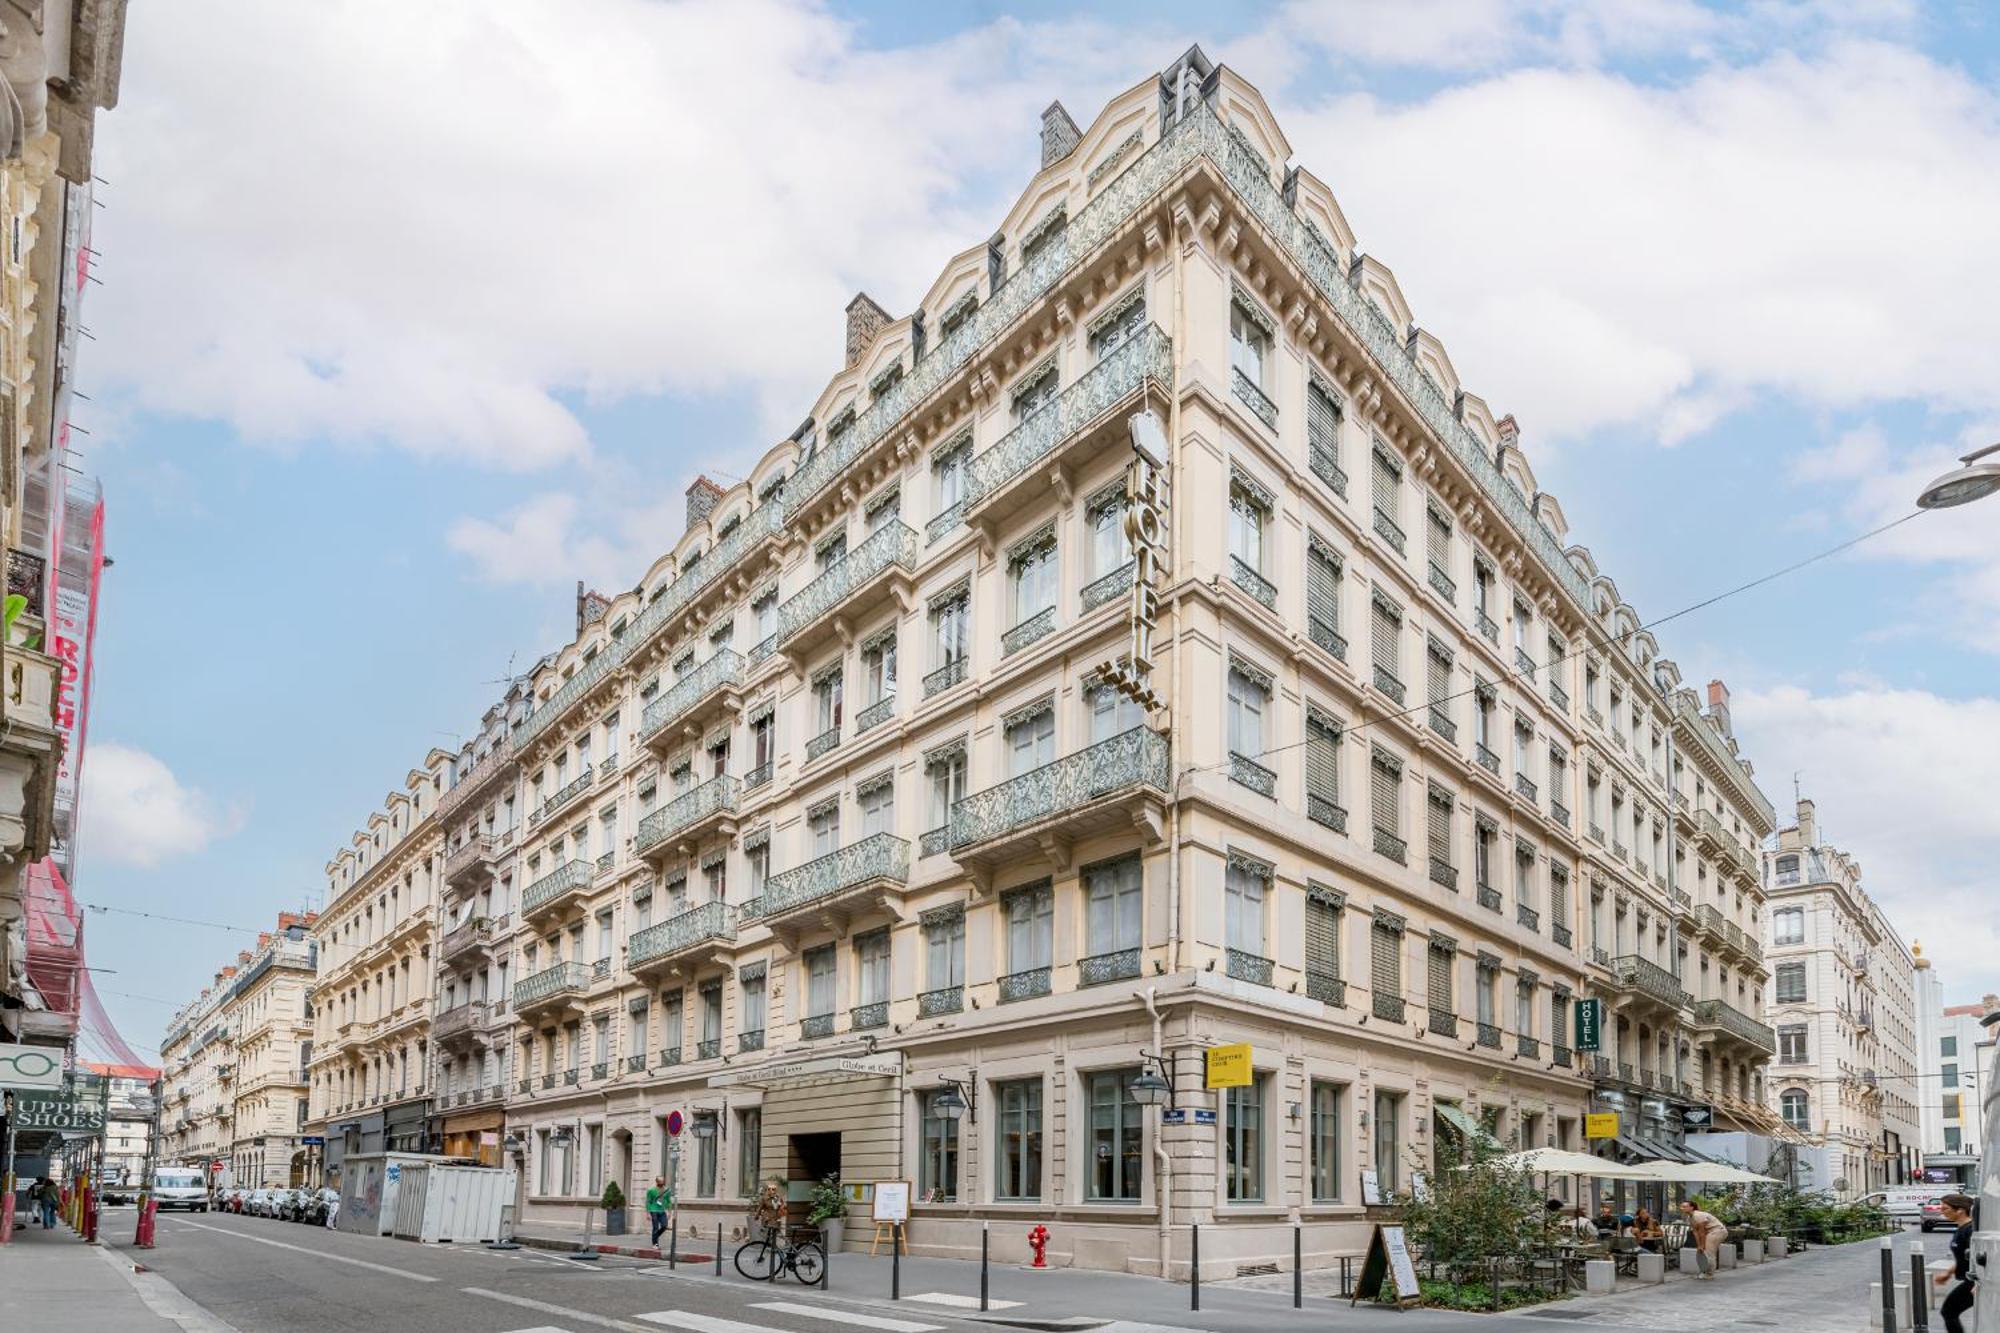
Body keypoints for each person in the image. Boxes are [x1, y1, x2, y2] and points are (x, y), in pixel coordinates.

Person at [1933, 1193, 1977, 1333]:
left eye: (1945, 1208)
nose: (1942, 1211)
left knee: (1949, 1311)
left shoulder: (1969, 1231)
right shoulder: (1962, 1229)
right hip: (1970, 1281)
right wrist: (1948, 1274)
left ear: (1960, 1210)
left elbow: (1978, 1258)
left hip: (1974, 1282)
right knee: (1950, 1311)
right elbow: (1963, 1257)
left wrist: (1977, 1283)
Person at [1679, 1199, 1725, 1278]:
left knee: (1709, 1252)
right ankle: (1705, 1272)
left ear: (1692, 1208)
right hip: (1711, 1232)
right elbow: (1695, 1233)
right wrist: (1699, 1245)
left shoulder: (1698, 1215)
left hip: (1717, 1231)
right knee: (1704, 1250)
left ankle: (1709, 1274)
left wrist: (1702, 1245)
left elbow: (1702, 1232)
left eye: (1684, 1206)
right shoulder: (1690, 1218)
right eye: (1681, 1206)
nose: (1682, 1208)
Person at [645, 1175, 671, 1248]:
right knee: (655, 1227)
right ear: (657, 1182)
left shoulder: (667, 1190)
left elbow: (669, 1201)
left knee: (664, 1226)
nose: (662, 1183)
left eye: (663, 1181)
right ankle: (655, 1244)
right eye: (660, 1181)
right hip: (653, 1210)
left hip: (662, 1210)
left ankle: (655, 1236)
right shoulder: (651, 1190)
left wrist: (669, 1212)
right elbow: (648, 1202)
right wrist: (648, 1213)